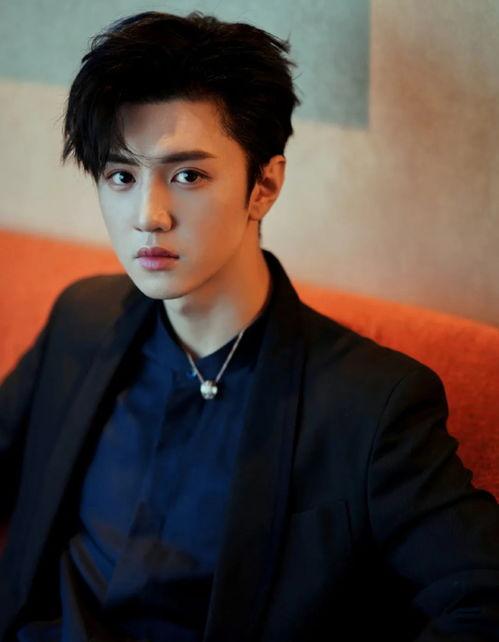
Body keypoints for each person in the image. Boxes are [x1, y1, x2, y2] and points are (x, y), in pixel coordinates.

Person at [1, 10, 498, 642]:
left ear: (264, 184)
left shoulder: (371, 405)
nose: (148, 215)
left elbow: (483, 600)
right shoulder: (83, 318)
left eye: (188, 175)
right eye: (121, 176)